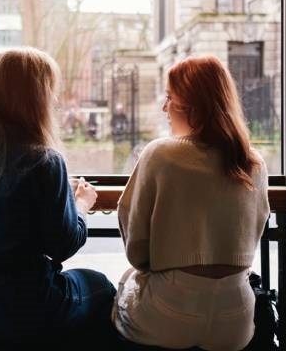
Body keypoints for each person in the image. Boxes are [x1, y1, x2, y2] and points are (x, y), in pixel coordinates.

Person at [0, 47, 116, 348]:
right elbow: (63, 245)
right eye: (50, 91)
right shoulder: (44, 161)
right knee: (101, 286)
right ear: (36, 98)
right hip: (28, 304)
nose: (54, 100)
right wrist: (81, 203)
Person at [112, 55, 270, 350]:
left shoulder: (160, 155)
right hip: (236, 320)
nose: (164, 107)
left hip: (169, 316)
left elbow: (137, 252)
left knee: (120, 289)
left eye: (170, 98)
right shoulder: (254, 163)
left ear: (192, 106)